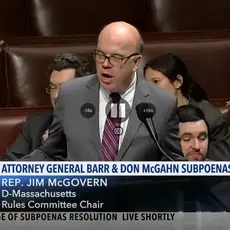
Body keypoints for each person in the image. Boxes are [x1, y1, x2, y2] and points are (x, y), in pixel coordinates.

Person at [20, 21, 185, 161]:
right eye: (101, 55)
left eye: (116, 57)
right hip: (84, 198)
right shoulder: (71, 94)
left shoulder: (163, 103)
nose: (105, 64)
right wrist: (12, 174)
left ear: (136, 63)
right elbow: (51, 152)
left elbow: (173, 163)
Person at [4, 53, 94, 161]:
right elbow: (9, 164)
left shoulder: (98, 127)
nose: (55, 96)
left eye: (64, 88)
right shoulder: (36, 123)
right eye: (53, 87)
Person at [144, 53, 230, 161]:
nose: (148, 89)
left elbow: (220, 167)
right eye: (146, 85)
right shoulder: (147, 116)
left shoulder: (211, 118)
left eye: (155, 82)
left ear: (177, 82)